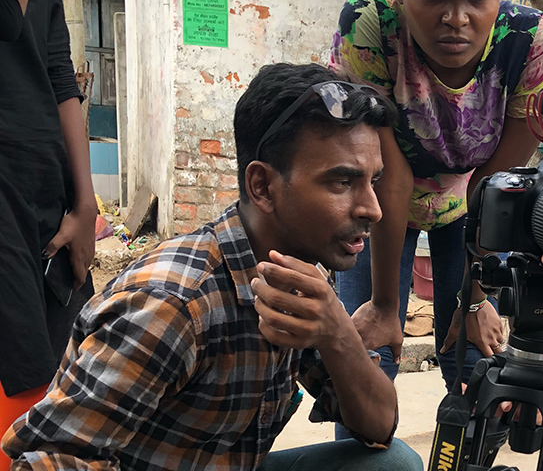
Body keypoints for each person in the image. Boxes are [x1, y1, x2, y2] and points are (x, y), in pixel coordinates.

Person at [2, 64, 423, 471]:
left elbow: (379, 429)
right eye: (343, 182)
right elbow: (53, 457)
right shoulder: (172, 304)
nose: (373, 209)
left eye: (374, 181)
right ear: (263, 186)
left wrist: (338, 333)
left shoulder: (299, 278)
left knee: (394, 463)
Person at [329, 0, 543, 391]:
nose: (456, 18)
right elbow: (387, 174)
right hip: (378, 192)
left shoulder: (530, 43)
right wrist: (387, 306)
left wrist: (476, 295)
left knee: (471, 356)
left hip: (475, 196)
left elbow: (499, 181)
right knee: (365, 356)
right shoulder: (370, 24)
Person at [0, 0, 97, 467]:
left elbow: (56, 61)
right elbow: (5, 9)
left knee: (60, 383)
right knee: (19, 384)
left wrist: (86, 202)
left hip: (42, 184)